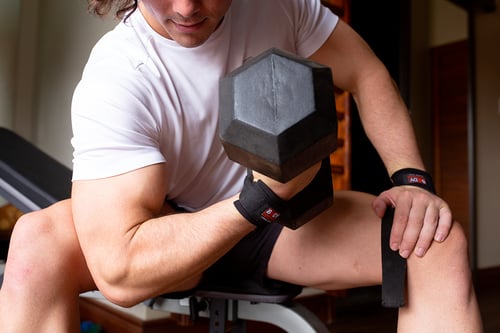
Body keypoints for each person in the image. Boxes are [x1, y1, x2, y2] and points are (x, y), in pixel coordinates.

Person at [0, 0, 483, 332]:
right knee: (35, 242)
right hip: (171, 228)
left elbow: (366, 72)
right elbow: (120, 275)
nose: (188, 8)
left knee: (435, 244)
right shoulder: (116, 76)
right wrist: (258, 199)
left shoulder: (277, 7)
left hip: (287, 230)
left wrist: (412, 179)